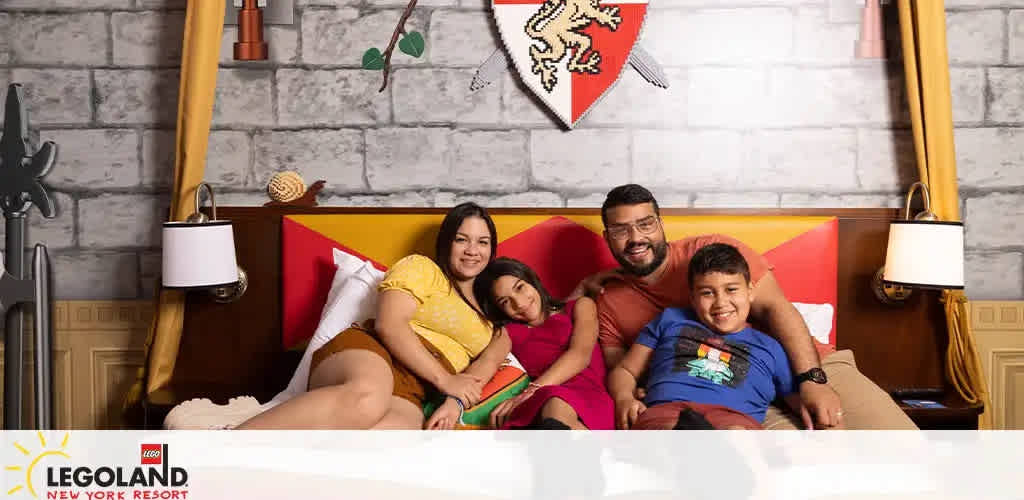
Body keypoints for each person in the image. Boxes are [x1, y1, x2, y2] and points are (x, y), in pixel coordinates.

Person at [583, 184, 917, 430]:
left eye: (645, 224)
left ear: (661, 223)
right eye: (621, 230)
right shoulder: (610, 300)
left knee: (901, 444)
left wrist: (813, 379)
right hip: (731, 397)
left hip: (808, 363)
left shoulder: (711, 251)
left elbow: (776, 309)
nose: (636, 237)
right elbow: (623, 371)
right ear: (607, 236)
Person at [237, 202, 511, 430]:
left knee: (387, 442)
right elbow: (390, 325)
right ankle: (226, 444)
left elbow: (482, 371)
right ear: (446, 243)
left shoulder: (494, 323)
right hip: (373, 353)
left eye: (482, 242)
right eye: (461, 239)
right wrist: (445, 380)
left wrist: (454, 404)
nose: (472, 250)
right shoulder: (422, 268)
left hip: (415, 389)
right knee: (367, 398)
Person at [609, 243, 809, 430]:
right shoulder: (671, 320)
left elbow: (797, 400)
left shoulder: (770, 346)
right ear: (693, 298)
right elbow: (626, 370)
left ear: (750, 291)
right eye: (707, 293)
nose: (721, 302)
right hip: (668, 412)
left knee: (738, 435)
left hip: (734, 418)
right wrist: (624, 398)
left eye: (731, 289)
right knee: (667, 430)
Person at [473, 257, 614, 430]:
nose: (519, 303)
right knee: (551, 404)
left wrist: (532, 390)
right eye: (505, 301)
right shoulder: (508, 333)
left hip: (589, 397)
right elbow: (487, 361)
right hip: (540, 404)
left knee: (554, 401)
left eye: (520, 287)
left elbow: (580, 354)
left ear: (532, 280)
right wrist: (454, 401)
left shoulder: (580, 306)